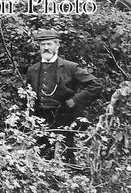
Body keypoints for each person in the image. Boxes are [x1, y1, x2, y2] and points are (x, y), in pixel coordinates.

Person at [26, 29, 102, 163]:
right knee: (43, 157)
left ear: (57, 45)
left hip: (65, 117)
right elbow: (28, 94)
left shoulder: (70, 67)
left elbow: (95, 84)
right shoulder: (33, 69)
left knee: (68, 157)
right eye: (43, 45)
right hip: (41, 118)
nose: (46, 48)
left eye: (49, 44)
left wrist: (75, 100)